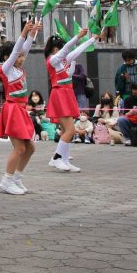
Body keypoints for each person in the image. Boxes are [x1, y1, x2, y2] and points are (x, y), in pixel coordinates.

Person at [0, 20, 38, 195]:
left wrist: (32, 33)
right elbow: (16, 51)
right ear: (7, 57)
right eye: (18, 56)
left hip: (21, 110)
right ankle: (6, 181)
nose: (21, 58)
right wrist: (23, 33)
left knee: (30, 148)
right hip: (12, 109)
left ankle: (16, 178)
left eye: (22, 56)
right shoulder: (6, 69)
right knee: (19, 148)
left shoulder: (18, 68)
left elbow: (24, 49)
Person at [44, 28, 96, 172]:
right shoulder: (52, 60)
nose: (65, 52)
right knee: (71, 130)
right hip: (60, 94)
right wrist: (78, 36)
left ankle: (65, 160)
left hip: (66, 94)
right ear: (56, 49)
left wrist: (93, 39)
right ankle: (56, 158)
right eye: (61, 49)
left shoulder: (63, 61)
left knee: (65, 130)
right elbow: (67, 48)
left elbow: (77, 50)